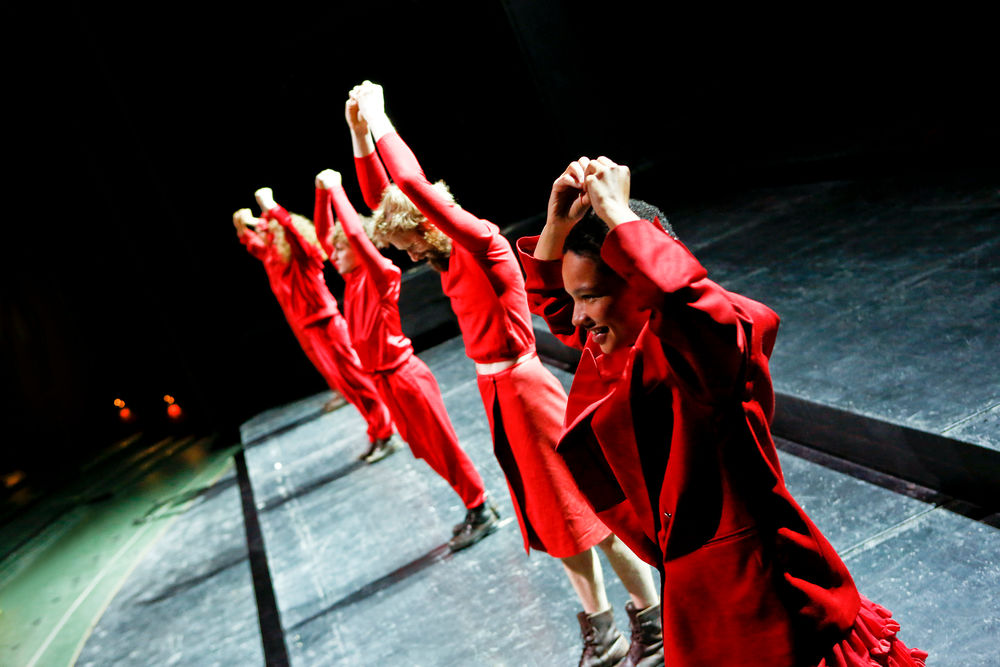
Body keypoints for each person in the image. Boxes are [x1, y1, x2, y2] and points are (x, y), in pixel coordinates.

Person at [517, 156, 929, 667]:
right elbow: (568, 310)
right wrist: (557, 228)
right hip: (702, 601)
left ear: (639, 284)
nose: (576, 316)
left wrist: (620, 215)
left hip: (761, 604)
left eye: (591, 296)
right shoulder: (626, 348)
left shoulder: (705, 353)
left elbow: (687, 300)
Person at [348, 81, 664, 667]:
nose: (410, 257)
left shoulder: (483, 245)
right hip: (498, 392)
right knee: (551, 518)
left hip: (524, 388)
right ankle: (603, 629)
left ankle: (650, 618)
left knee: (586, 510)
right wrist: (360, 136)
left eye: (408, 242)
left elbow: (414, 189)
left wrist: (383, 120)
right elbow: (387, 198)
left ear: (426, 225)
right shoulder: (444, 255)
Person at [313, 164, 499, 550]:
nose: (335, 254)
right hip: (386, 382)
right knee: (428, 452)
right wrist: (321, 196)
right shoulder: (351, 279)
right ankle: (473, 505)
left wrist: (337, 191)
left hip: (405, 377)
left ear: (358, 245)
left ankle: (482, 508)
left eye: (342, 248)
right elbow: (323, 236)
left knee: (443, 445)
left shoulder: (382, 274)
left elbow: (354, 234)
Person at [232, 190, 398, 463]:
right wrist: (243, 227)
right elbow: (254, 243)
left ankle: (386, 431)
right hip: (306, 329)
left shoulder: (304, 256)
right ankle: (376, 431)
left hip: (326, 322)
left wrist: (272, 207)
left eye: (273, 230)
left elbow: (291, 233)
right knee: (344, 386)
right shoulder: (275, 257)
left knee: (357, 379)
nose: (269, 235)